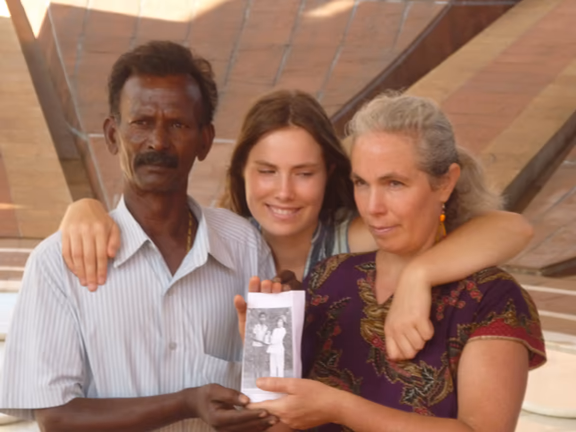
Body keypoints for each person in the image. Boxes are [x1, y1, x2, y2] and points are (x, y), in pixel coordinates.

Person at [58, 89, 534, 360]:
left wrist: (419, 275)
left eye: (304, 174)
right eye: (266, 172)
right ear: (240, 172)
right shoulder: (220, 238)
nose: (283, 192)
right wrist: (84, 207)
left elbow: (511, 228)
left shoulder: (355, 234)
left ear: (331, 175)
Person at [0, 41, 279, 432]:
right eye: (141, 122)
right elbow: (56, 416)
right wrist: (186, 403)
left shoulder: (245, 245)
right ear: (113, 135)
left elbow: (270, 389)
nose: (158, 142)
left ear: (205, 140)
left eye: (178, 124)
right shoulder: (56, 263)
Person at [246, 93, 546, 432]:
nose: (373, 206)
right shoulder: (329, 278)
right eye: (361, 183)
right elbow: (282, 418)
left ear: (445, 182)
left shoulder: (491, 299)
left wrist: (341, 408)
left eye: (394, 183)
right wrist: (263, 351)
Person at [252, 312, 269, 379]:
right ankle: (256, 378)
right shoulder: (256, 326)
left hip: (262, 347)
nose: (262, 319)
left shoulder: (266, 327)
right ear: (259, 318)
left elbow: (266, 337)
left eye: (264, 317)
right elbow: (253, 337)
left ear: (265, 318)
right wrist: (261, 342)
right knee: (256, 362)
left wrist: (267, 341)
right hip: (256, 346)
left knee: (262, 362)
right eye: (261, 317)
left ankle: (261, 377)